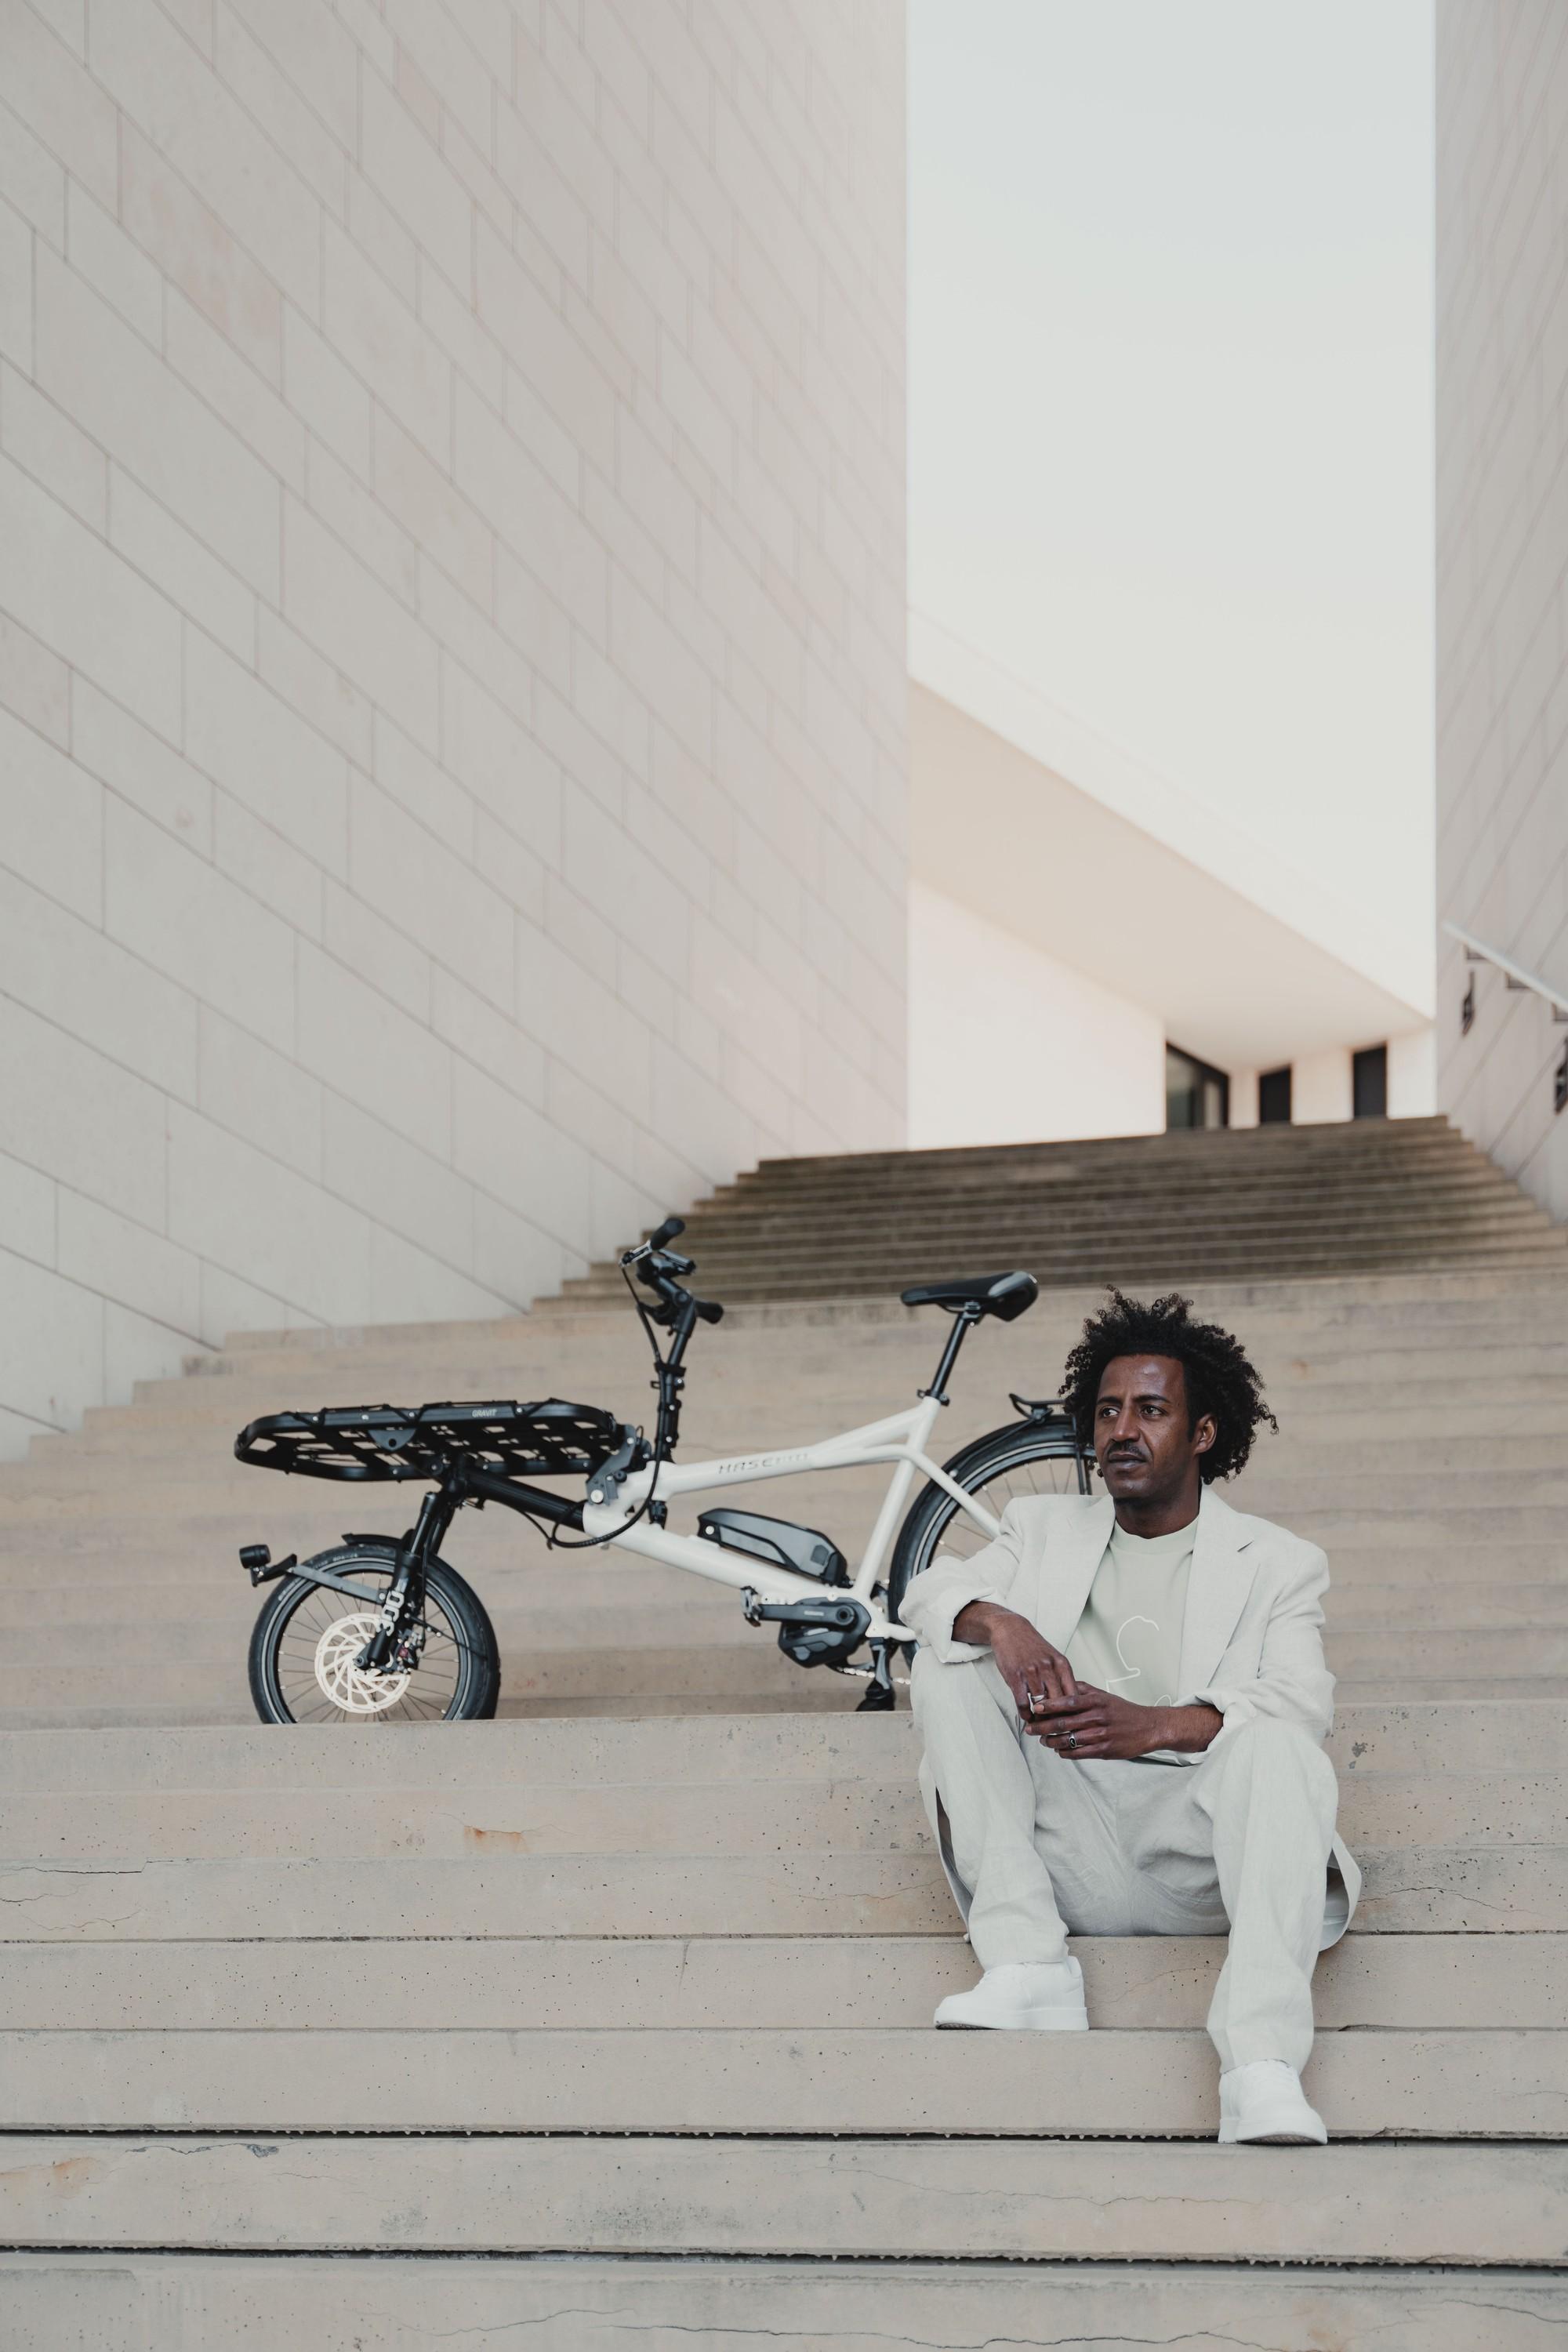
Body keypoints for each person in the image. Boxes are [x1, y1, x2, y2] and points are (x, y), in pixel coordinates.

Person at [898, 1289, 1359, 2147]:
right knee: (948, 1659)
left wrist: (1153, 1726)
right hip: (1063, 1840)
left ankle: (1259, 2067)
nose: (1121, 1430)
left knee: (1281, 1754)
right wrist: (1003, 1624)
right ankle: (1028, 1965)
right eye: (1107, 1410)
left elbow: (1300, 1705)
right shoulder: (1039, 1527)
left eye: (1150, 1410)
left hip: (1192, 1851)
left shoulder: (1280, 1564)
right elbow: (925, 1592)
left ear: (1202, 1433)